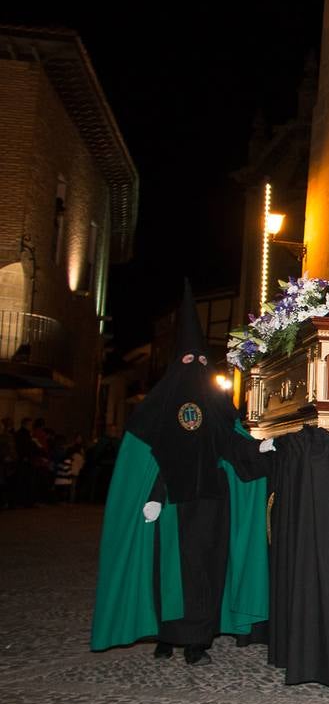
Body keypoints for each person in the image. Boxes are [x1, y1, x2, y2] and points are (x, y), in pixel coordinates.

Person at [91, 284, 274, 665]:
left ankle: (198, 640)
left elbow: (232, 444)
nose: (196, 368)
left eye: (202, 362)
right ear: (177, 364)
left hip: (212, 502)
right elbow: (148, 458)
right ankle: (166, 634)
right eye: (189, 360)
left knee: (207, 570)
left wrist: (262, 448)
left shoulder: (217, 406)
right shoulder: (154, 412)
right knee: (171, 570)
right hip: (171, 505)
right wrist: (154, 497)